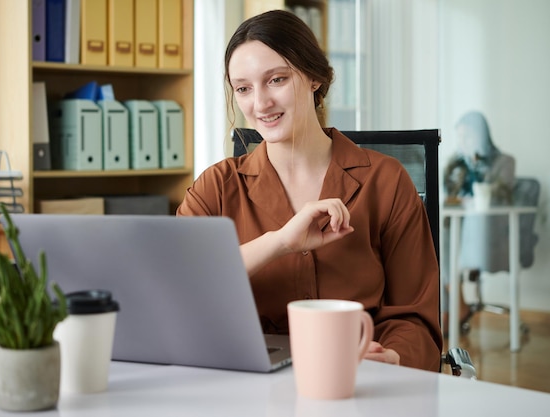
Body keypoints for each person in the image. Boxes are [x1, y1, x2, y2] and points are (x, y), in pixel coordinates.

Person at [177, 10, 442, 371]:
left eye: (277, 80)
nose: (260, 103)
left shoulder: (388, 181)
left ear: (315, 77)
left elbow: (416, 317)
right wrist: (280, 242)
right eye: (243, 88)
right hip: (244, 383)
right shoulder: (215, 188)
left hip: (358, 379)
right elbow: (176, 285)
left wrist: (391, 356)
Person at [442, 111, 516, 333]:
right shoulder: (457, 164)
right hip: (457, 229)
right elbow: (448, 194)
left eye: (468, 137)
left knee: (442, 242)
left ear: (482, 137)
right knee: (435, 238)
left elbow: (500, 197)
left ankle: (456, 307)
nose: (462, 143)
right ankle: (453, 307)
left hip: (489, 235)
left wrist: (477, 177)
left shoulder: (505, 162)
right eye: (460, 138)